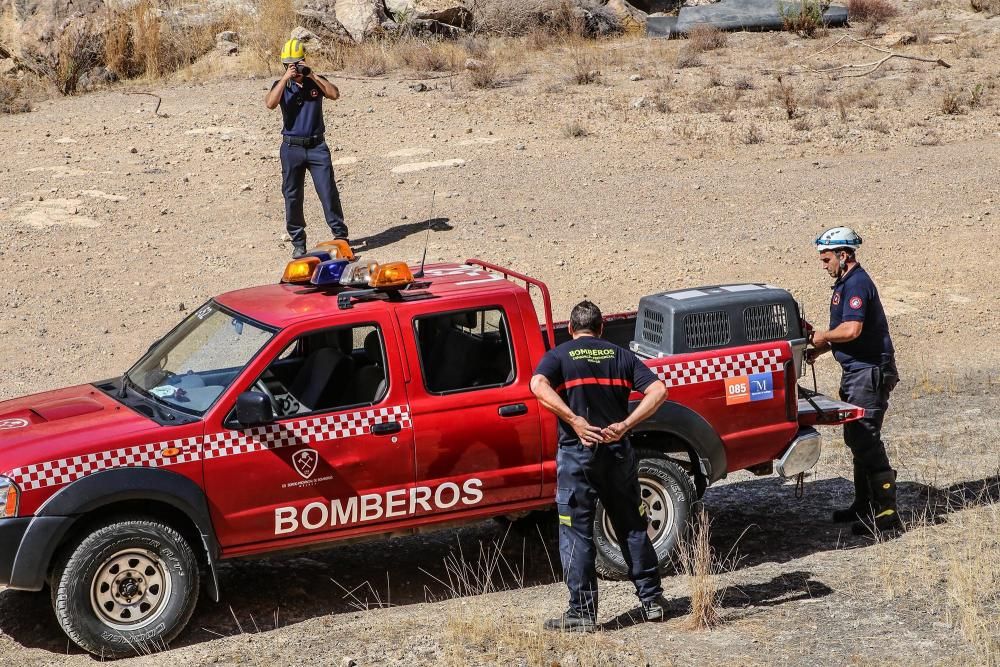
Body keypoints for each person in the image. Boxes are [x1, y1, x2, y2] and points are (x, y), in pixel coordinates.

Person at [530, 300, 670, 632]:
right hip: (617, 452)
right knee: (632, 525)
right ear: (601, 327)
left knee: (576, 532)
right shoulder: (621, 356)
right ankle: (652, 602)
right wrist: (626, 424)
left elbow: (537, 385)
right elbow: (659, 390)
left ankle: (582, 614)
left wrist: (574, 419)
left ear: (570, 329)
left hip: (578, 456)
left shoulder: (560, 356)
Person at [806, 226, 903, 535]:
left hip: (870, 372)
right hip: (856, 371)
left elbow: (851, 331)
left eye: (826, 259)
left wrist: (822, 336)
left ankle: (887, 510)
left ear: (843, 254)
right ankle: (863, 505)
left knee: (865, 437)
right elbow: (843, 334)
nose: (824, 266)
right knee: (856, 437)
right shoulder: (845, 285)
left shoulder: (857, 284)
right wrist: (818, 349)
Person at [264, 38, 348, 259]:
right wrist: (285, 78)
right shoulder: (281, 85)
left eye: (297, 63)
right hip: (291, 148)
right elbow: (270, 104)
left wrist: (311, 75)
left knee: (328, 192)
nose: (295, 68)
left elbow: (334, 94)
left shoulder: (315, 82)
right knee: (292, 196)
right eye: (289, 64)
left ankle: (340, 237)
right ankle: (298, 241)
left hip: (317, 146)